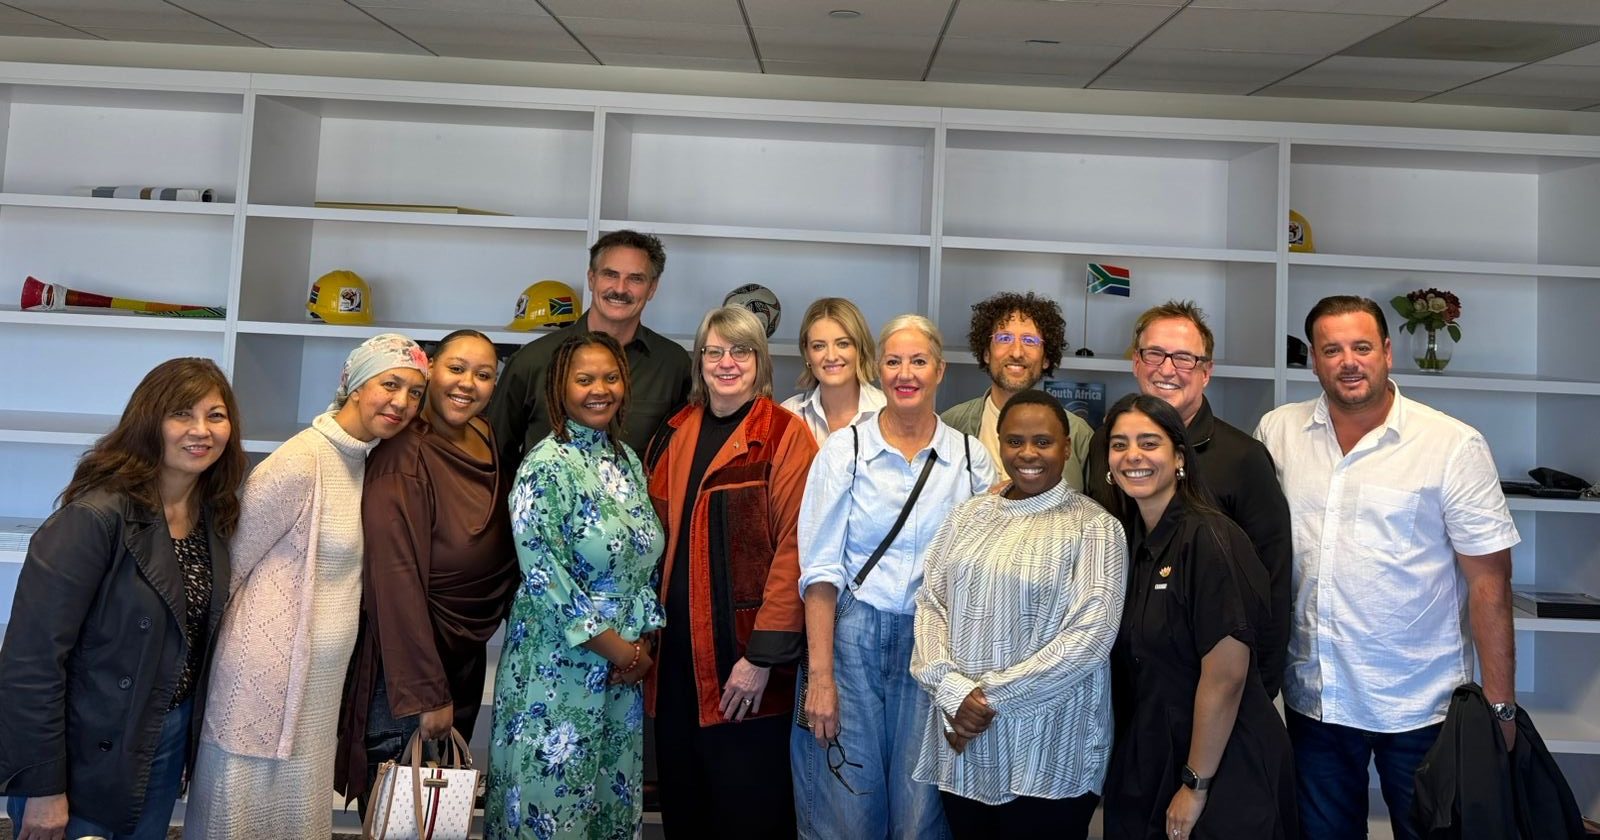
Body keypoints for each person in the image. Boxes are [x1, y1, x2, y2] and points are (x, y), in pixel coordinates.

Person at [1254, 296, 1519, 840]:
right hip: (1316, 699)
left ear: (1387, 353)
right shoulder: (1277, 433)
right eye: (1332, 350)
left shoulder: (1451, 445)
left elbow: (1489, 582)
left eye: (1362, 347)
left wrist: (1501, 709)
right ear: (1313, 360)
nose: (1348, 361)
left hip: (1422, 705)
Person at [185, 333, 430, 840]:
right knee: (239, 819)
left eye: (414, 392)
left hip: (319, 681)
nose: (401, 402)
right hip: (264, 678)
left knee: (295, 817)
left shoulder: (366, 461)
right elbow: (230, 566)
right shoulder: (300, 460)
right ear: (356, 386)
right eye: (389, 384)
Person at [0, 358, 245, 840]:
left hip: (161, 739)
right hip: (84, 754)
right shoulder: (94, 517)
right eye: (182, 413)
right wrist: (43, 787)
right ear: (148, 421)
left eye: (215, 416)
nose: (201, 430)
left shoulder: (213, 515)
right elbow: (30, 662)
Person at [795, 313, 995, 840]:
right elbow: (819, 572)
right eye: (893, 361)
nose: (906, 374)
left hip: (934, 645)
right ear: (878, 370)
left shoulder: (971, 459)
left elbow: (983, 571)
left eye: (919, 361)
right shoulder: (845, 450)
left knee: (919, 812)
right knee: (846, 806)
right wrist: (820, 678)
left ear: (940, 370)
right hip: (851, 639)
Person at [910, 390, 1126, 839]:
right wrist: (950, 690)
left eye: (1043, 442)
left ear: (1066, 447)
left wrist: (984, 700)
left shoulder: (1096, 527)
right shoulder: (967, 516)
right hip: (966, 744)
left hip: (1050, 750)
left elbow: (1090, 637)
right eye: (1014, 441)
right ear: (999, 443)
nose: (1028, 453)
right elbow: (931, 604)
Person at [484, 331, 667, 840]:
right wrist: (623, 653)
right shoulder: (544, 466)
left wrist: (642, 645)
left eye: (610, 378)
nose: (599, 390)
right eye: (584, 379)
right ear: (559, 388)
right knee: (553, 808)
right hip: (558, 667)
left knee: (608, 805)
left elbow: (642, 561)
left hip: (622, 670)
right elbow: (544, 576)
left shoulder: (625, 459)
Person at [644, 305, 818, 838]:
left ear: (759, 360)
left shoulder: (785, 435)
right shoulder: (674, 431)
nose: (726, 362)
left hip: (744, 666)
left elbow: (796, 550)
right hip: (673, 664)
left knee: (749, 814)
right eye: (714, 351)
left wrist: (761, 657)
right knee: (684, 810)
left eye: (740, 351)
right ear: (699, 361)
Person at [335, 329, 519, 811]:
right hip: (410, 668)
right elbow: (393, 581)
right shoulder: (404, 454)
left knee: (439, 811)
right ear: (430, 370)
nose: (467, 384)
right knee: (402, 811)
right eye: (456, 368)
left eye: (484, 374)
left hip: (463, 654)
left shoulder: (484, 434)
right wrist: (426, 693)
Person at [1099, 394, 1295, 840]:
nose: (1133, 456)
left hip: (1220, 766)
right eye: (1120, 444)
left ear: (1180, 458)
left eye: (1149, 443)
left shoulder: (1209, 538)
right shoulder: (1129, 541)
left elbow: (1226, 677)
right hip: (1152, 751)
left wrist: (1195, 784)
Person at [1084, 300, 1292, 698]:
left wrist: (1258, 691)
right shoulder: (1104, 444)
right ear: (1136, 362)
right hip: (1117, 679)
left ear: (1206, 372)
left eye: (1184, 358)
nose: (1166, 369)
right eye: (1154, 354)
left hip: (1205, 688)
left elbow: (1274, 584)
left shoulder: (1243, 459)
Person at [488, 229, 693, 464]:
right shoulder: (532, 360)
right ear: (592, 278)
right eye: (610, 275)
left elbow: (682, 456)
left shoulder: (673, 365)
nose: (620, 289)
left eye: (635, 278)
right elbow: (495, 455)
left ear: (652, 287)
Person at [941, 292, 1093, 490]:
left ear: (1046, 359)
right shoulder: (950, 425)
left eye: (1030, 341)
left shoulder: (1079, 433)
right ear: (986, 353)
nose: (1017, 352)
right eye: (1004, 338)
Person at [780, 297, 885, 444]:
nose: (831, 356)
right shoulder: (788, 415)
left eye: (843, 344)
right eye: (819, 346)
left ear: (860, 349)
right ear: (807, 353)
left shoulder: (887, 410)